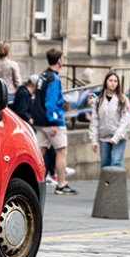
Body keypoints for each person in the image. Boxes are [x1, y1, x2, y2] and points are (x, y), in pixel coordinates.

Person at [30, 48, 76, 195]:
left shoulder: (43, 75)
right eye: (62, 58)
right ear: (59, 60)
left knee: (39, 151)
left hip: (39, 121)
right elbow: (51, 102)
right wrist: (54, 122)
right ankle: (61, 184)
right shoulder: (54, 79)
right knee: (61, 152)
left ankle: (32, 180)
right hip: (51, 122)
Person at [88, 71, 130, 168]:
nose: (113, 83)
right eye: (110, 80)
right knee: (105, 164)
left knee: (116, 162)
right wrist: (93, 140)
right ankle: (106, 183)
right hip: (104, 136)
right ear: (106, 82)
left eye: (115, 81)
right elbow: (94, 121)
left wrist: (116, 137)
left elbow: (125, 121)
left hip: (119, 137)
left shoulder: (123, 99)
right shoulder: (99, 100)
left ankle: (116, 183)